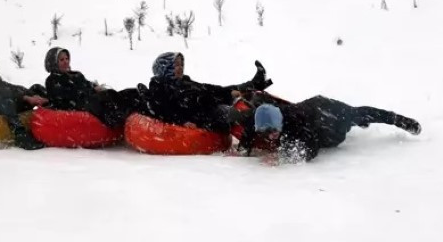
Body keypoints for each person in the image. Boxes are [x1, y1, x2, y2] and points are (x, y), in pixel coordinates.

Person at [236, 95, 422, 163]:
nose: (269, 136)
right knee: (358, 117)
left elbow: (310, 150)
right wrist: (244, 147)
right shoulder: (263, 118)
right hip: (315, 106)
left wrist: (285, 157)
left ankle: (400, 120)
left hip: (329, 118)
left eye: (271, 131)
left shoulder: (296, 126)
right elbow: (250, 127)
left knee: (359, 114)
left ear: (279, 123)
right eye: (264, 132)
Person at [143, 52, 272, 132]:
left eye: (181, 64)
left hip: (209, 106)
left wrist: (229, 93)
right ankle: (266, 126)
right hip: (203, 116)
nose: (180, 67)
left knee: (219, 90)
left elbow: (207, 89)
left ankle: (254, 85)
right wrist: (182, 122)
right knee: (240, 115)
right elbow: (162, 109)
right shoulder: (159, 86)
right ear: (164, 69)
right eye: (176, 65)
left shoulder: (184, 82)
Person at [43, 47, 143, 128]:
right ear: (54, 63)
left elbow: (87, 84)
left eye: (67, 59)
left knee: (128, 93)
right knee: (108, 96)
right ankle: (121, 120)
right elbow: (71, 96)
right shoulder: (53, 80)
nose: (66, 62)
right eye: (61, 60)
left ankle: (142, 108)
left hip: (90, 98)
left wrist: (95, 87)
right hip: (80, 106)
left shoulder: (76, 74)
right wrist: (91, 91)